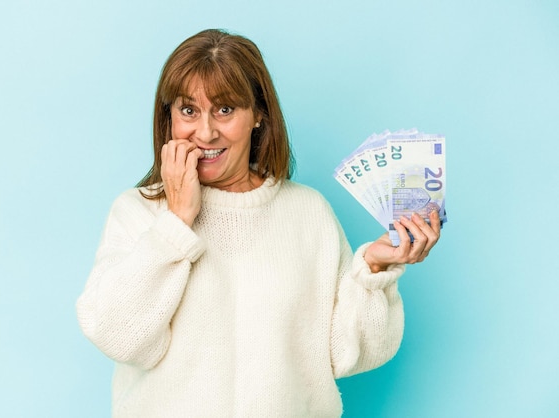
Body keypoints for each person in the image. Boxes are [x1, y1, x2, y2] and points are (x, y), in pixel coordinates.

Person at [76, 28, 441, 417]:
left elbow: (347, 354)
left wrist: (374, 270)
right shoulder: (137, 212)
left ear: (258, 115)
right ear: (168, 118)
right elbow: (118, 336)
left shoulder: (308, 213)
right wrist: (177, 221)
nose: (205, 132)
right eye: (188, 110)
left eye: (225, 109)